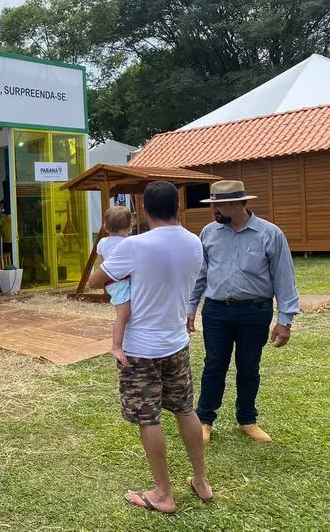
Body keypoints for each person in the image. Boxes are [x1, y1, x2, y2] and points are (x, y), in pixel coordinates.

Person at [88, 181, 212, 514]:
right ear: (178, 205)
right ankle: (200, 480)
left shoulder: (135, 246)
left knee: (149, 418)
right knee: (186, 410)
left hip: (140, 347)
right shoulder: (194, 242)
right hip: (176, 343)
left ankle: (163, 494)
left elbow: (95, 281)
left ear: (145, 210)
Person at [188, 180, 299, 444]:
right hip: (216, 311)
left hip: (255, 311)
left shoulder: (270, 234)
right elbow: (200, 274)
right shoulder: (209, 232)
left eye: (219, 205)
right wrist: (190, 307)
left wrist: (285, 321)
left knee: (249, 366)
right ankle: (204, 420)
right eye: (212, 204)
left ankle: (247, 420)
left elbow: (284, 278)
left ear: (238, 204)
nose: (213, 210)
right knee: (214, 365)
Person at [95, 206, 133, 364]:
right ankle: (116, 345)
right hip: (120, 282)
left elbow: (101, 264)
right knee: (123, 315)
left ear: (105, 226)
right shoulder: (128, 243)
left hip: (111, 281)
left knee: (124, 313)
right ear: (130, 227)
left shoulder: (103, 242)